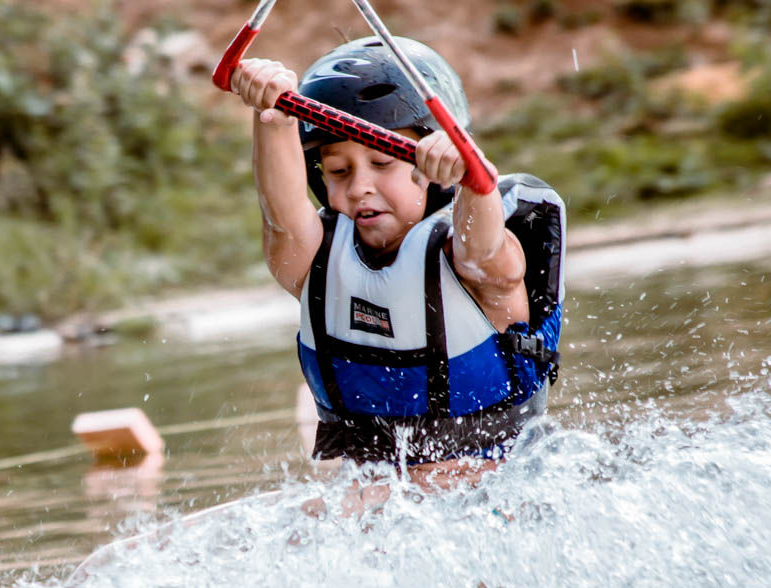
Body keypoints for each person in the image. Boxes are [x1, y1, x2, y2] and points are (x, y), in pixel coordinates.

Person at [230, 37, 565, 504]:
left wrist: (471, 174)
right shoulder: (311, 262)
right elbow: (282, 215)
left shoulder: (481, 263)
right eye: (338, 172)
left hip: (499, 495)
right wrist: (273, 115)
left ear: (432, 168)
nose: (360, 187)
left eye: (382, 162)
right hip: (378, 505)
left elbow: (480, 246)